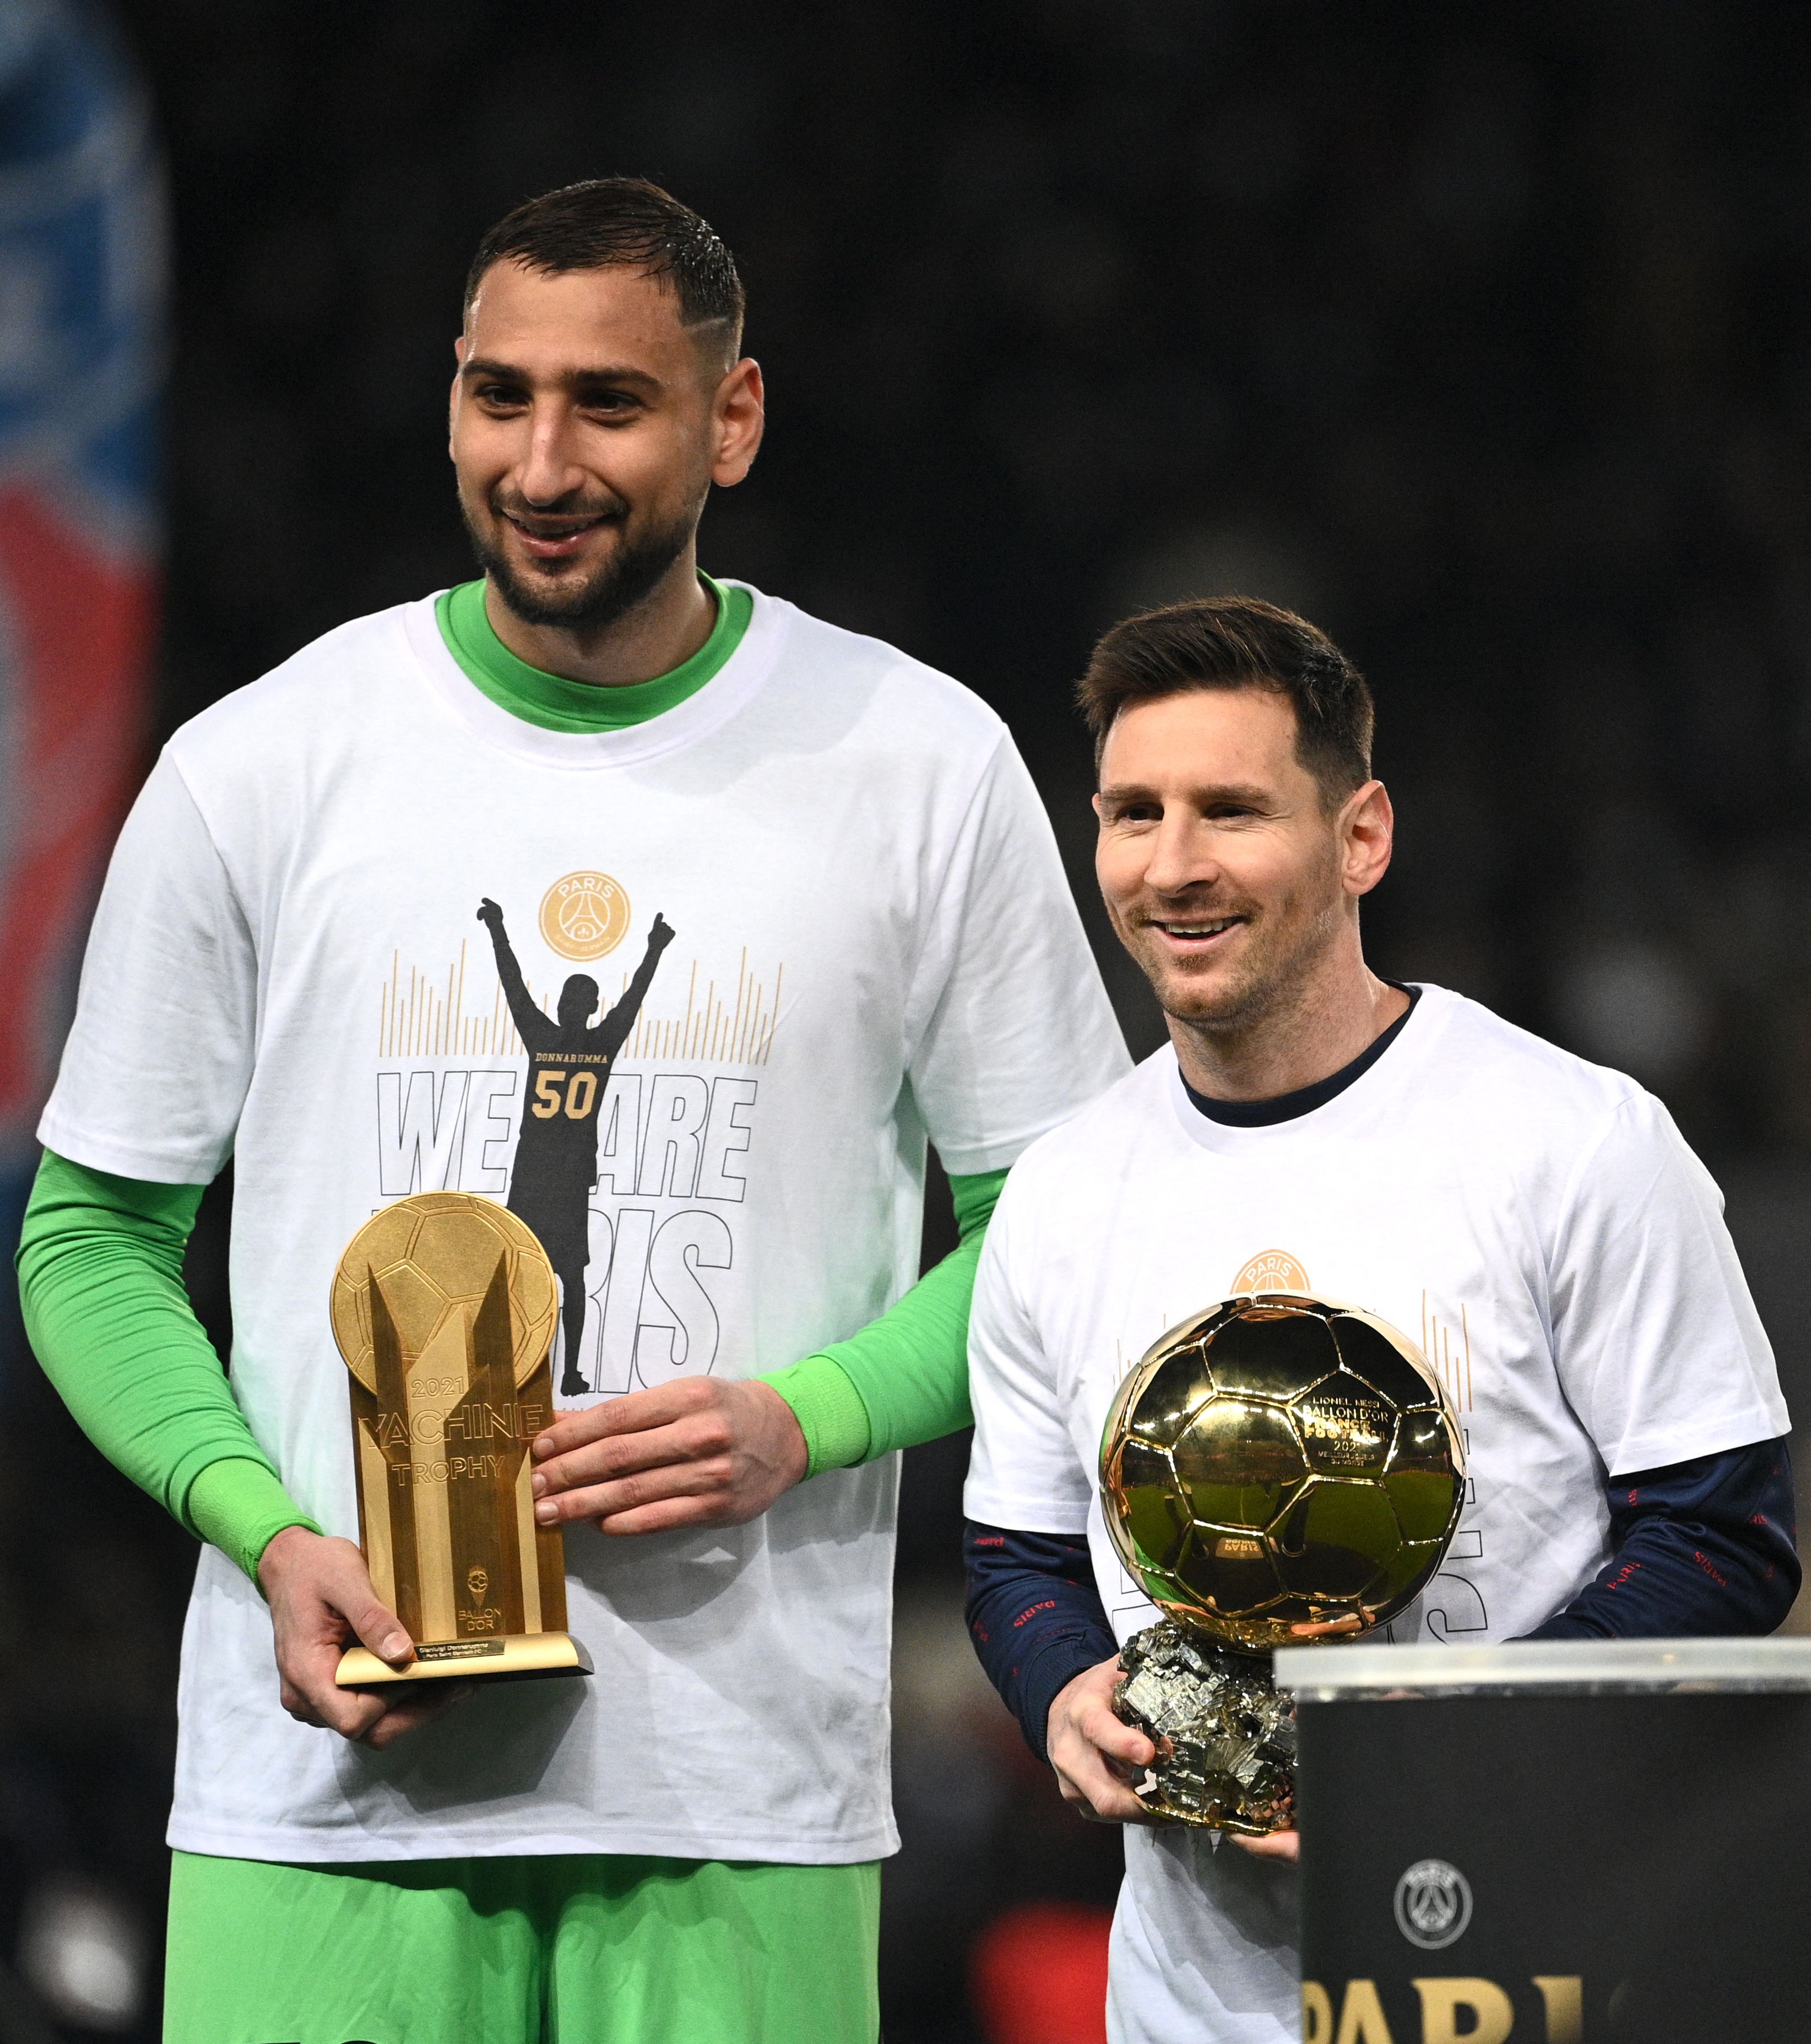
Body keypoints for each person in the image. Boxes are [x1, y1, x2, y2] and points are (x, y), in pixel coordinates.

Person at [16, 177, 1129, 2044]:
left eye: (607, 404)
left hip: (738, 1810)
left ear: (732, 419)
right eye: (497, 397)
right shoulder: (262, 768)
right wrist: (265, 1529)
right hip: (319, 1810)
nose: (541, 460)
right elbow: (89, 1239)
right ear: (449, 398)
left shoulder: (911, 767)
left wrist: (808, 1415)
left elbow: (1071, 1233)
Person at [960, 596, 1797, 2044]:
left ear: (1363, 837)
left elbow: (1727, 1533)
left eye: (1231, 810)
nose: (1172, 866)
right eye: (1131, 813)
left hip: (1539, 1979)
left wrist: (1437, 1755)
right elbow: (1018, 1552)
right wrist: (1062, 1693)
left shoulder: (1577, 1141)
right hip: (1191, 2003)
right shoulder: (1060, 1188)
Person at [479, 895, 674, 1394]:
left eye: (573, 1000)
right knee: (552, 1278)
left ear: (579, 1008)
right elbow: (630, 1000)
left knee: (552, 1277)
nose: (568, 1006)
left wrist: (499, 931)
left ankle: (558, 1370)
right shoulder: (599, 1043)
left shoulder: (548, 1035)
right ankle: (552, 1370)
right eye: (569, 999)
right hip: (553, 1183)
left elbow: (515, 989)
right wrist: (654, 949)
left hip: (546, 1182)